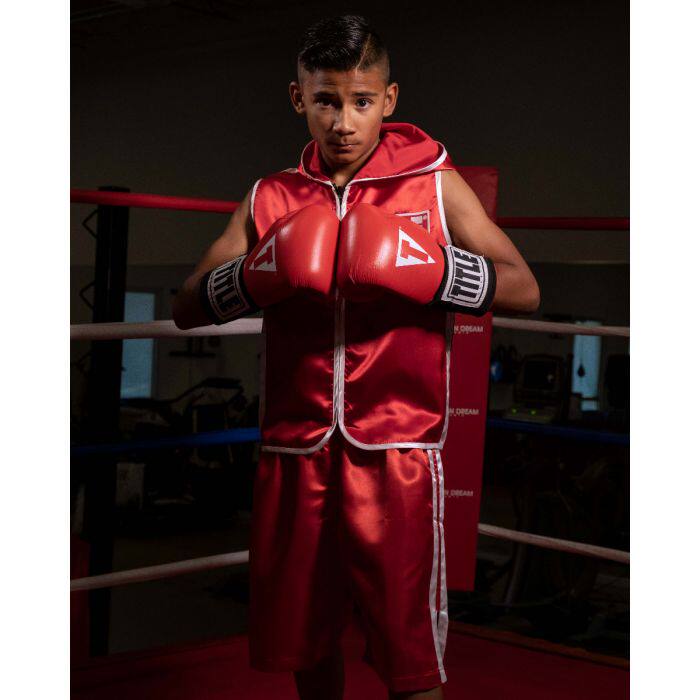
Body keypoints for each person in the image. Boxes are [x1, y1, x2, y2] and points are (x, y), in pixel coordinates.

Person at [173, 14, 539, 700]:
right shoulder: (270, 196)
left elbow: (524, 287)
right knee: (305, 640)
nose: (343, 122)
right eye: (326, 101)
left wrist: (432, 270)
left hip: (398, 453)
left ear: (389, 99)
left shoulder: (432, 184)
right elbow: (186, 306)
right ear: (298, 98)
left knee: (409, 655)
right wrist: (253, 275)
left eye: (362, 101)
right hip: (295, 451)